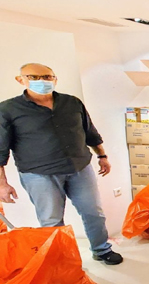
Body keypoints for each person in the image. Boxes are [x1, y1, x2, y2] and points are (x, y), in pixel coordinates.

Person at [0, 63, 122, 265]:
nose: (42, 81)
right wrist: (2, 184)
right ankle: (62, 262)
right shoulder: (8, 110)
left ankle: (102, 250)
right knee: (51, 220)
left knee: (94, 213)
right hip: (39, 174)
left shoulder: (71, 103)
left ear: (55, 79)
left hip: (79, 168)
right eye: (34, 77)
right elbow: (1, 149)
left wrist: (102, 156)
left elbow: (89, 132)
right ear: (20, 80)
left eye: (47, 77)